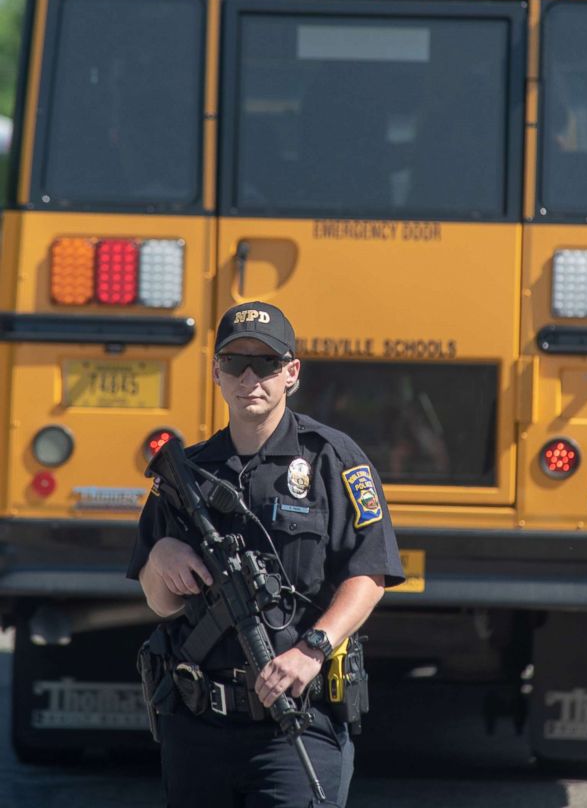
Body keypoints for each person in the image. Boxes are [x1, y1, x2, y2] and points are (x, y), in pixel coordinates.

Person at [127, 300, 405, 808]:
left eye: (268, 363)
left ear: (291, 373)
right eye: (235, 362)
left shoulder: (332, 460)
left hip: (298, 722)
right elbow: (159, 603)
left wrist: (313, 649)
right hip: (197, 726)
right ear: (216, 371)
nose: (250, 377)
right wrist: (163, 556)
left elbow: (370, 574)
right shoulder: (185, 474)